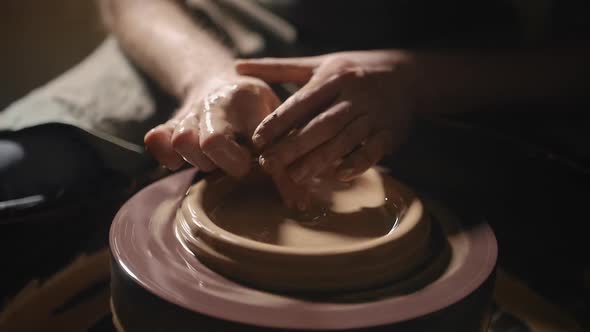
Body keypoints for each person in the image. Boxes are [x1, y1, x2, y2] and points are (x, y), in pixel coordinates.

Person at [99, 0, 589, 210]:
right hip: (205, 36)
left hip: (464, 61)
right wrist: (204, 74)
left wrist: (417, 81)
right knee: (32, 174)